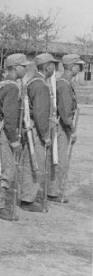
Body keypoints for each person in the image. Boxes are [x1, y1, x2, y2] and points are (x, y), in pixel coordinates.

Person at [0, 53, 31, 221]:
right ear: (15, 68)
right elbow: (10, 117)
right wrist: (14, 140)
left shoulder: (3, 85)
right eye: (23, 66)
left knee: (3, 169)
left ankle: (0, 204)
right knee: (5, 170)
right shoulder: (12, 87)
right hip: (4, 133)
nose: (26, 69)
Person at [21, 53, 58, 212]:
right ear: (47, 66)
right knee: (34, 164)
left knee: (31, 162)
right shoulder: (41, 85)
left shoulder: (34, 81)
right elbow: (40, 113)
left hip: (32, 128)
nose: (54, 68)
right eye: (53, 65)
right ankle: (27, 200)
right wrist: (45, 135)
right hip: (36, 130)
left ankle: (29, 195)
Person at [49, 54, 85, 202]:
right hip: (61, 128)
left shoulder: (65, 83)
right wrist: (71, 130)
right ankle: (53, 192)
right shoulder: (63, 84)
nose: (80, 68)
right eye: (78, 65)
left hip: (61, 126)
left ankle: (53, 190)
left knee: (57, 160)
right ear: (71, 67)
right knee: (59, 160)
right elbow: (64, 113)